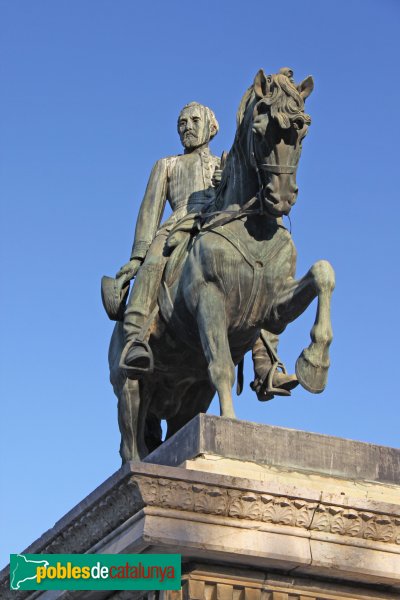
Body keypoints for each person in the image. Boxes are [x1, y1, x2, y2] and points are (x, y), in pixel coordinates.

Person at [116, 101, 221, 372]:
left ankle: (264, 358)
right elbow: (150, 210)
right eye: (182, 123)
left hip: (217, 223)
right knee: (153, 264)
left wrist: (226, 184)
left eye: (195, 121)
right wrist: (138, 255)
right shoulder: (167, 164)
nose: (187, 127)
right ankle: (135, 337)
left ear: (211, 127)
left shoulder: (224, 162)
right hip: (177, 223)